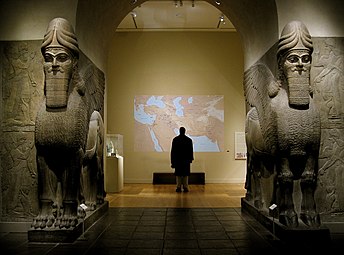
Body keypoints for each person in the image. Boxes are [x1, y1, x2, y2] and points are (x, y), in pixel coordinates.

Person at [170, 127, 194, 192]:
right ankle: (185, 187)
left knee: (178, 174)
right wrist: (191, 159)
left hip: (178, 160)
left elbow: (173, 152)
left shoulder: (175, 140)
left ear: (179, 131)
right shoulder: (189, 140)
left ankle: (178, 187)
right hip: (186, 160)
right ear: (185, 131)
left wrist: (172, 161)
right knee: (185, 174)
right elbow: (191, 151)